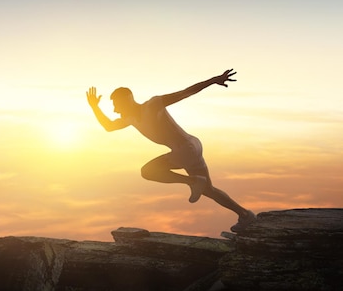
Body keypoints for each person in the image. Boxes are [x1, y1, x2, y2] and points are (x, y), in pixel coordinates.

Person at [86, 69, 256, 232]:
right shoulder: (130, 119)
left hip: (185, 149)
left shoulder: (152, 105)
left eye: (116, 105)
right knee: (208, 189)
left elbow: (185, 92)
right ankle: (245, 214)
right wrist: (95, 107)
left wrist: (213, 80)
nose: (115, 110)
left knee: (148, 171)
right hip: (191, 147)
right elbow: (109, 126)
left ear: (127, 100)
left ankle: (192, 181)